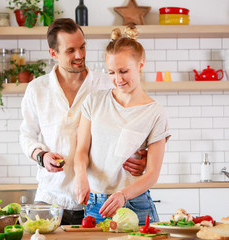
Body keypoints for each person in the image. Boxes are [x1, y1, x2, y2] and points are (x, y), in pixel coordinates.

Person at [19, 18, 148, 225]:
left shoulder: (107, 83)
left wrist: (142, 156)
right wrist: (41, 156)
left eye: (82, 47)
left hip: (97, 199)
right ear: (53, 53)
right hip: (51, 196)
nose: (80, 55)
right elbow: (26, 135)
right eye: (71, 50)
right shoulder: (37, 89)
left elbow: (131, 122)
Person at [73, 25, 171, 225]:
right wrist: (80, 175)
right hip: (95, 204)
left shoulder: (154, 112)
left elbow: (152, 174)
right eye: (111, 72)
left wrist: (123, 195)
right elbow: (81, 150)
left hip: (135, 203)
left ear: (141, 64)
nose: (117, 79)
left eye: (124, 71)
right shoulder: (94, 101)